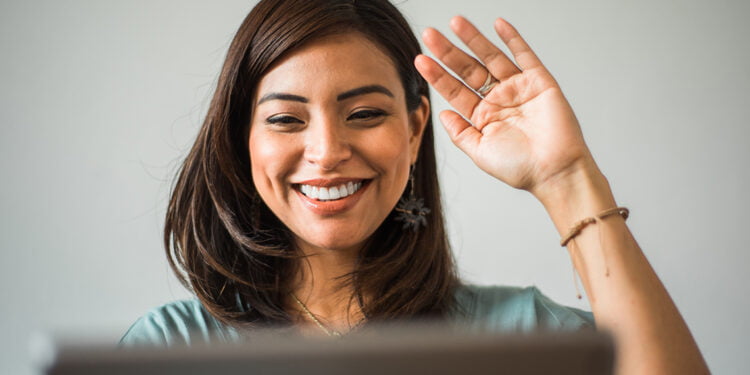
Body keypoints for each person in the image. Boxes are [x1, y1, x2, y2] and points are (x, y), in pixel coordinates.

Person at [121, 0, 709, 373]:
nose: (326, 152)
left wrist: (568, 178)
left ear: (415, 126)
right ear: (242, 140)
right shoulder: (170, 348)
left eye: (365, 114)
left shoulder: (522, 336)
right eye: (284, 119)